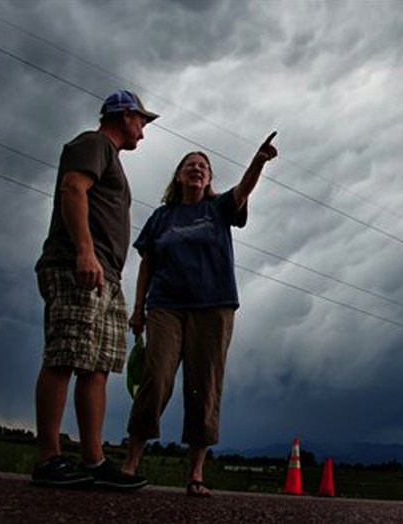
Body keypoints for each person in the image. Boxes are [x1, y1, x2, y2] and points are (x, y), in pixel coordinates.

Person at [121, 132, 278, 497]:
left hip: (213, 307)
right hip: (165, 307)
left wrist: (258, 161)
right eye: (190, 165)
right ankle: (129, 464)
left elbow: (244, 191)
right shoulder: (162, 217)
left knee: (203, 386)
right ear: (178, 176)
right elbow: (146, 265)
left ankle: (195, 474)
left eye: (203, 167)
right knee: (156, 378)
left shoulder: (218, 208)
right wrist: (138, 308)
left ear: (208, 179)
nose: (196, 169)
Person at [32, 90, 158, 489]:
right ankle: (49, 458)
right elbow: (72, 188)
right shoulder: (94, 143)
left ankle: (93, 460)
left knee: (98, 366)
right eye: (141, 120)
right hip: (78, 266)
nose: (143, 129)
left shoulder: (112, 158)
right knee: (65, 355)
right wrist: (84, 252)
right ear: (124, 116)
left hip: (107, 276)